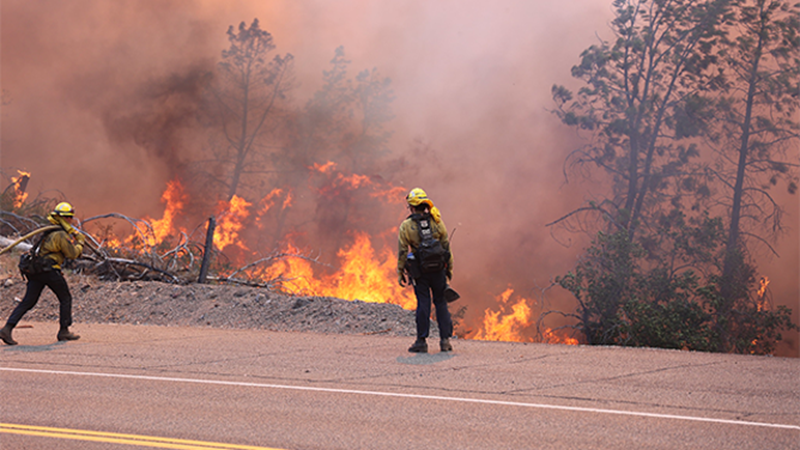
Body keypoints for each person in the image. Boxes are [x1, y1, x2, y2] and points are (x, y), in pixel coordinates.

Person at [0, 202, 85, 345]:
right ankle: (64, 331)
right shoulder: (60, 234)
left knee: (28, 301)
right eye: (70, 217)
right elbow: (72, 254)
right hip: (49, 270)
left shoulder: (50, 231)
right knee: (65, 298)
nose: (71, 220)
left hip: (38, 271)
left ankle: (7, 329)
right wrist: (80, 243)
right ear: (65, 218)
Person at [397, 188, 454, 353]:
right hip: (439, 271)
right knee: (441, 302)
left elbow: (402, 252)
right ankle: (445, 341)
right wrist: (448, 270)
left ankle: (421, 342)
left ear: (412, 207)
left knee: (423, 303)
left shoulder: (406, 226)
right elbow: (446, 248)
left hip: (420, 272)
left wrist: (400, 272)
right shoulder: (437, 222)